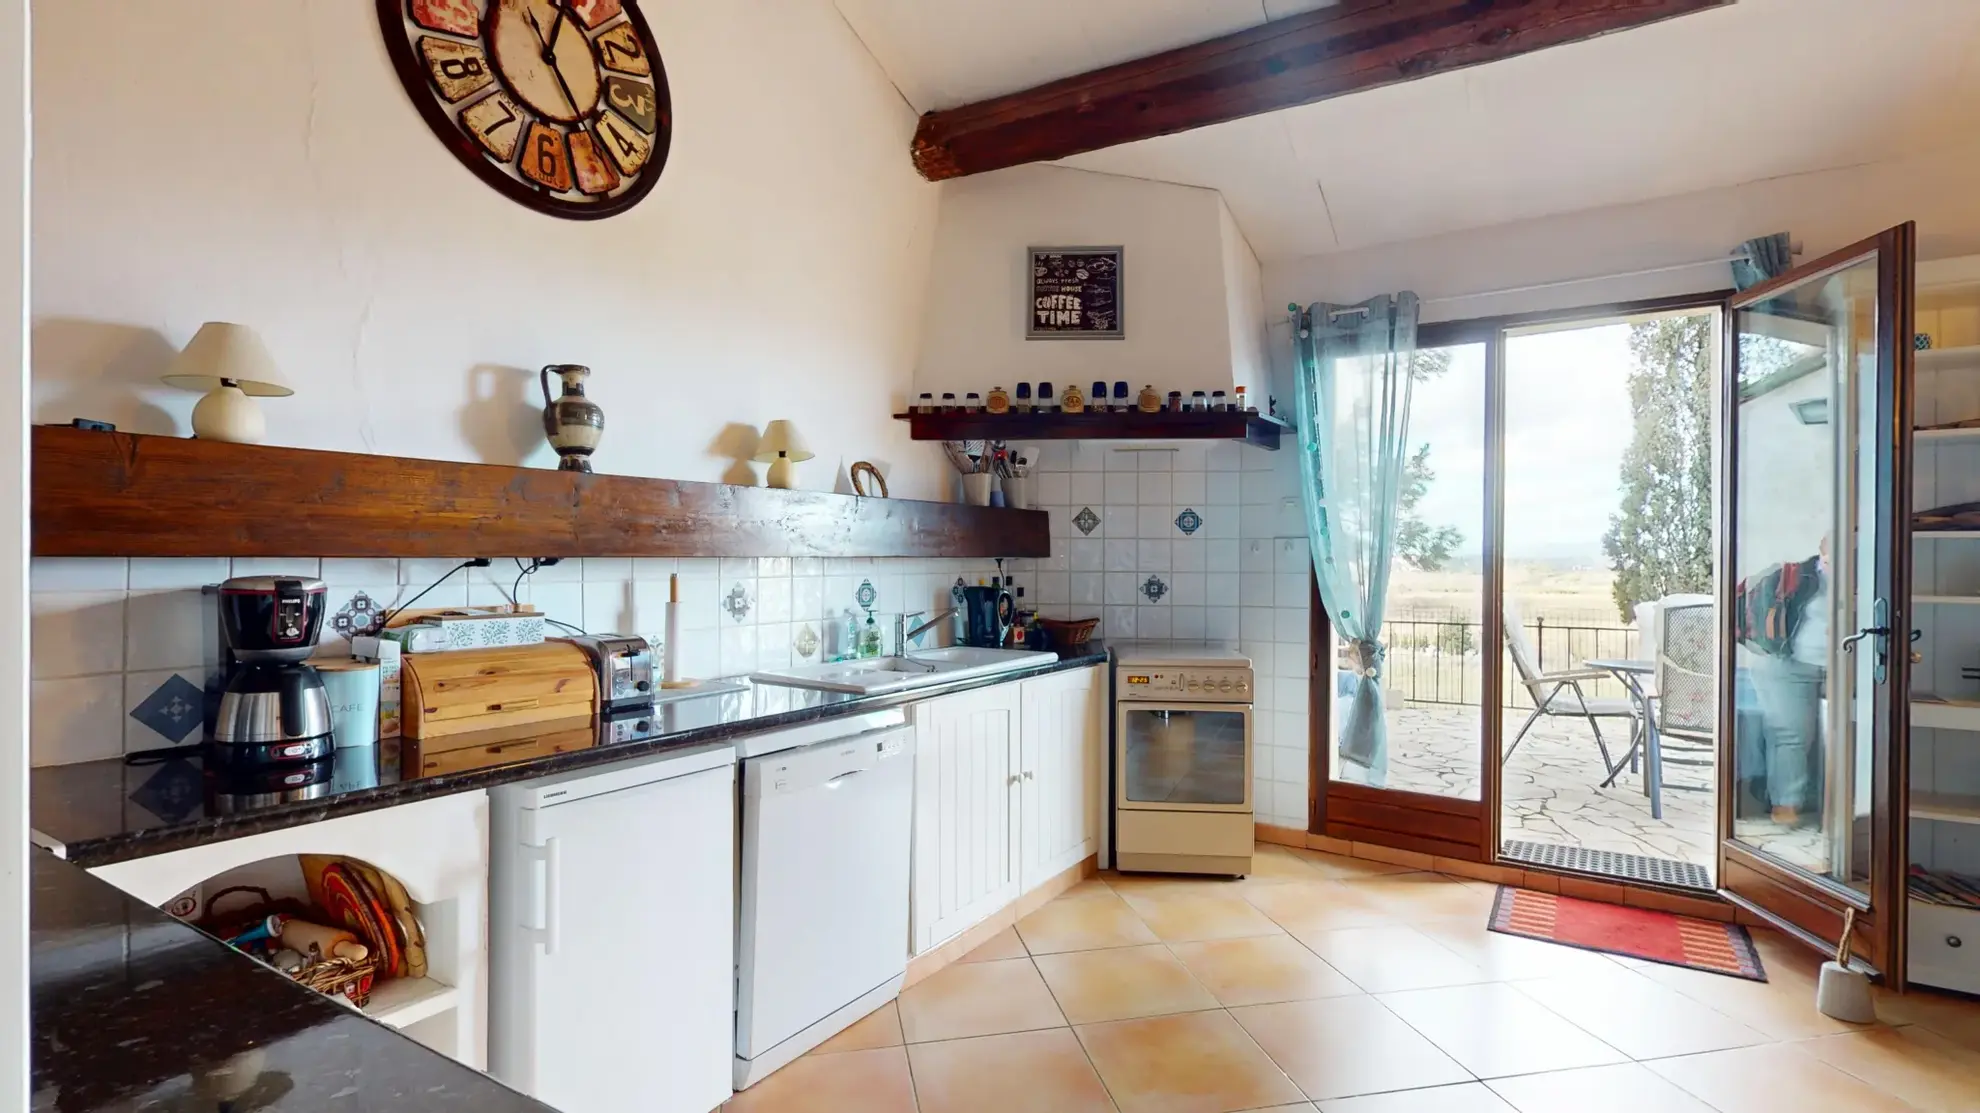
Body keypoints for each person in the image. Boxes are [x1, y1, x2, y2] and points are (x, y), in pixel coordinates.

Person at [1732, 535, 1827, 827]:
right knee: (1791, 734)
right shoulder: (1801, 577)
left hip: (1843, 665)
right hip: (1787, 664)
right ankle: (1786, 806)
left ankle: (1828, 804)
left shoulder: (1868, 576)